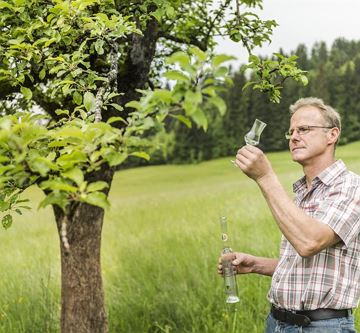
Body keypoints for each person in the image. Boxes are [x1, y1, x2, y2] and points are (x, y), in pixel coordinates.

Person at [218, 97, 360, 332]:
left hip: (322, 326)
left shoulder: (352, 187)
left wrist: (264, 177)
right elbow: (306, 267)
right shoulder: (302, 194)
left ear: (332, 135)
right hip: (277, 323)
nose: (294, 137)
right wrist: (256, 264)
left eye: (304, 129)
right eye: (291, 131)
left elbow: (309, 242)